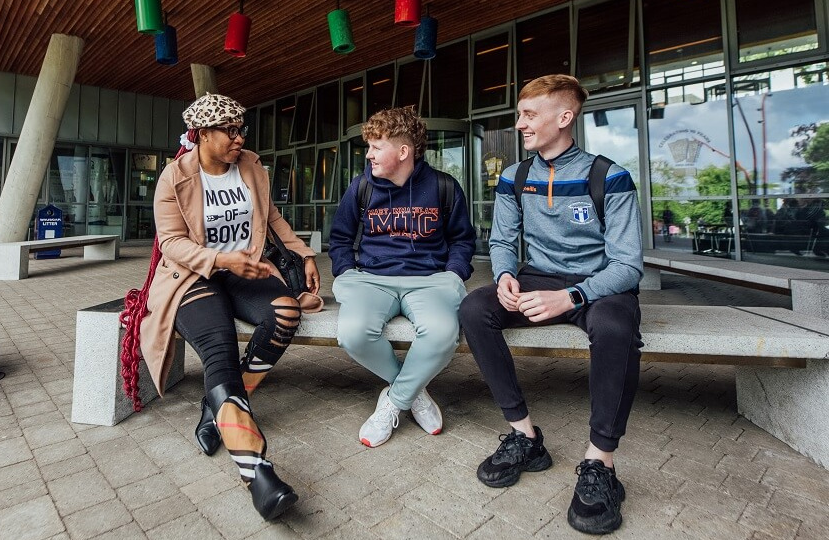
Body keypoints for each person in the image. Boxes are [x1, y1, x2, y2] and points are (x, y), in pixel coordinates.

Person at [119, 93, 323, 521]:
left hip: (244, 269)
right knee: (220, 346)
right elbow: (171, 243)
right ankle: (259, 474)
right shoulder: (174, 178)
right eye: (230, 131)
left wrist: (304, 254)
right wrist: (219, 259)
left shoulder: (250, 165)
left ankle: (221, 406)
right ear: (202, 135)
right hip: (193, 276)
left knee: (286, 312)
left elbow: (272, 219)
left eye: (240, 129)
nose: (239, 138)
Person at [459, 75, 643, 536]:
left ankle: (600, 462)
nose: (519, 123)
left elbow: (628, 264)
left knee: (617, 329)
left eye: (528, 114)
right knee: (474, 309)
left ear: (564, 118)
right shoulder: (515, 177)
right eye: (519, 114)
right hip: (537, 277)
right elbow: (502, 240)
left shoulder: (610, 175)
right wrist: (504, 275)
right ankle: (525, 436)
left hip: (598, 284)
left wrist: (571, 296)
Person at [328, 106, 476, 448]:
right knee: (352, 334)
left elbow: (462, 240)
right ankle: (413, 392)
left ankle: (393, 403)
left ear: (403, 151)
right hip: (372, 279)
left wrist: (455, 275)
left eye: (376, 147)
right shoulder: (362, 186)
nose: (369, 155)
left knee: (442, 334)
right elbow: (339, 238)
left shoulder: (443, 186)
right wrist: (346, 271)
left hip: (429, 279)